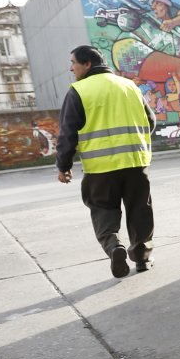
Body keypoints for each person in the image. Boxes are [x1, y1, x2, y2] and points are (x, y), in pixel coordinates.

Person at [56, 45, 157, 278]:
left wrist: (64, 166)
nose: (71, 68)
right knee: (140, 210)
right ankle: (142, 259)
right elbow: (150, 122)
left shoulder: (78, 91)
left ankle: (114, 247)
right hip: (135, 163)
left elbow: (67, 133)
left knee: (103, 210)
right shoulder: (129, 86)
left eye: (73, 63)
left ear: (87, 64)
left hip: (100, 169)